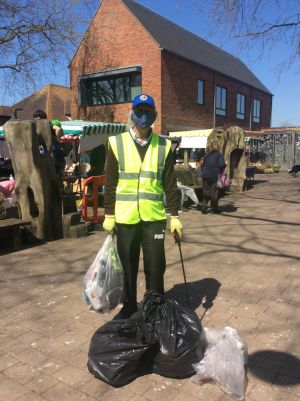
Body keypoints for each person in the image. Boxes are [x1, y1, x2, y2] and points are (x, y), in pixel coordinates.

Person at [103, 93, 182, 319]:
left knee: (155, 267)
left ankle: (154, 309)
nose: (143, 116)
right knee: (127, 266)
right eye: (139, 111)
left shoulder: (165, 146)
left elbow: (170, 184)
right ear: (132, 113)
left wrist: (174, 216)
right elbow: (110, 184)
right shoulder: (116, 143)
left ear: (154, 115)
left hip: (154, 218)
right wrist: (108, 215)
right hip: (125, 218)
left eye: (148, 111)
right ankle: (129, 309)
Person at [200, 141, 226, 214]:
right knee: (214, 192)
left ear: (211, 147)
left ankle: (204, 206)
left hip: (205, 175)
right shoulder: (219, 155)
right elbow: (221, 165)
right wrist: (225, 164)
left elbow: (203, 164)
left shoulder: (207, 155)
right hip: (214, 175)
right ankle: (214, 208)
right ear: (218, 147)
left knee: (206, 191)